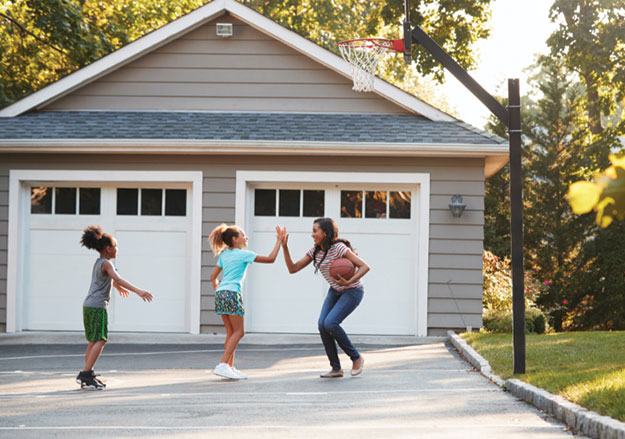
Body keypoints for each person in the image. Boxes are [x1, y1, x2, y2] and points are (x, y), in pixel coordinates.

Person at [281, 217, 369, 378]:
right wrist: (284, 247)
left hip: (352, 291)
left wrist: (348, 281)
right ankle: (336, 368)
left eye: (315, 231)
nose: (312, 234)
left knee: (331, 323)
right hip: (335, 291)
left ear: (325, 233)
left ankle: (356, 358)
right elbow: (293, 268)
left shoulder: (339, 248)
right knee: (322, 325)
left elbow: (365, 266)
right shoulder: (315, 251)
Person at [77, 225, 153, 390]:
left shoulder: (99, 263)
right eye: (115, 246)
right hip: (97, 306)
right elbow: (118, 279)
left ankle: (87, 374)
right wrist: (138, 291)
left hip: (89, 305)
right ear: (108, 248)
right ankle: (85, 373)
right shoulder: (107, 264)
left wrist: (118, 288)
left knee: (94, 340)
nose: (117, 249)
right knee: (101, 339)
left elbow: (108, 280)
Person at [209, 224, 284, 380]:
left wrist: (218, 289)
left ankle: (229, 367)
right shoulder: (243, 254)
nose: (246, 237)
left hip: (221, 294)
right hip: (232, 294)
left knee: (231, 332)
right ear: (235, 239)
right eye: (243, 235)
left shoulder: (224, 255)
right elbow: (271, 259)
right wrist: (279, 242)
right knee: (239, 332)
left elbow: (212, 277)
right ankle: (222, 365)